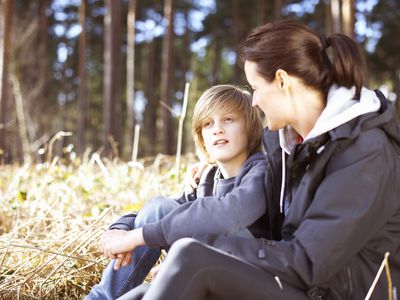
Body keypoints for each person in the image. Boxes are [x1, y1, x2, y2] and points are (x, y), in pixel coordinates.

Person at [120, 20, 400, 300]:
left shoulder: (364, 152)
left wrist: (206, 247)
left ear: (282, 81)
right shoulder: (290, 148)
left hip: (333, 293)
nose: (254, 101)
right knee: (142, 294)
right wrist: (213, 165)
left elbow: (308, 262)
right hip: (296, 284)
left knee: (191, 258)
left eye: (255, 87)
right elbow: (236, 197)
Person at [86, 84, 275, 299]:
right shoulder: (207, 178)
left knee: (180, 215)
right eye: (208, 123)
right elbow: (163, 210)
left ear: (250, 126)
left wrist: (138, 237)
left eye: (228, 119)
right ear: (201, 136)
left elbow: (228, 213)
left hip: (247, 274)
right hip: (203, 265)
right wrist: (121, 228)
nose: (217, 129)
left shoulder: (261, 170)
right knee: (159, 209)